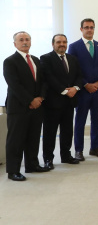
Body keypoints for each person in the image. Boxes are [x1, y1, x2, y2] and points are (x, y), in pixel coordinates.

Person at [3, 31, 49, 181]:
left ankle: (32, 165)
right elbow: (14, 85)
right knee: (16, 140)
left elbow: (42, 81)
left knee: (33, 137)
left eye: (27, 39)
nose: (25, 42)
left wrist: (40, 98)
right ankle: (13, 170)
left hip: (37, 106)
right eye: (21, 40)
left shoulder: (35, 59)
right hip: (19, 107)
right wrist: (30, 100)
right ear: (14, 43)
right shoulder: (10, 61)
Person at [68, 18, 98, 161]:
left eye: (92, 27)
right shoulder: (74, 47)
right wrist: (86, 84)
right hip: (82, 91)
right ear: (81, 29)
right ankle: (78, 150)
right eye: (86, 27)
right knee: (80, 121)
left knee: (96, 120)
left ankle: (94, 148)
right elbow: (73, 69)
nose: (89, 30)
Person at [41, 34, 83, 169]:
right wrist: (65, 91)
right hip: (53, 103)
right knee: (50, 132)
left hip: (69, 102)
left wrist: (75, 88)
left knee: (67, 131)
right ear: (53, 44)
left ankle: (66, 156)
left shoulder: (72, 59)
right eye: (59, 42)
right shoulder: (46, 58)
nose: (62, 44)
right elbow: (49, 78)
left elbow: (79, 76)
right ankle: (48, 159)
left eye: (64, 42)